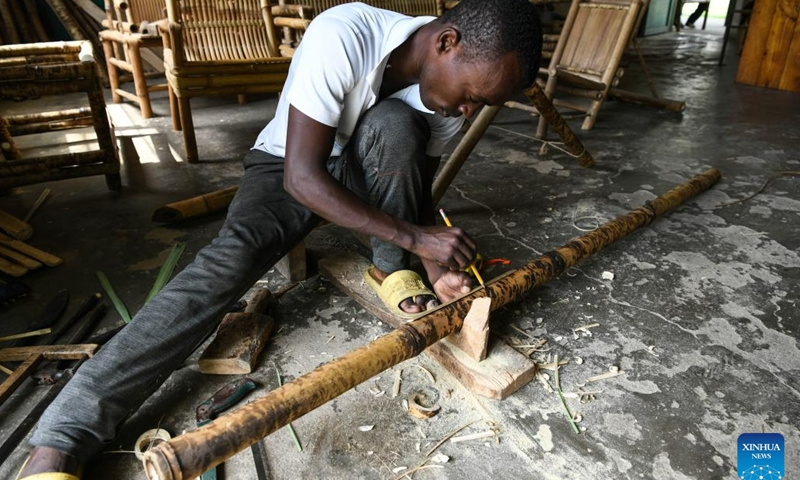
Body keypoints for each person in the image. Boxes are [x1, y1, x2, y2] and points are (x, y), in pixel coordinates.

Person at [17, 0, 542, 477]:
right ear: (446, 43)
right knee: (228, 264)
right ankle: (63, 435)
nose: (468, 111)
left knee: (398, 125)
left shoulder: (447, 96)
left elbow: (415, 190)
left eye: (482, 105)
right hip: (288, 168)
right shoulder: (345, 33)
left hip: (360, 170)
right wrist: (418, 236)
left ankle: (391, 268)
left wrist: (434, 264)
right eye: (472, 95)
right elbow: (302, 180)